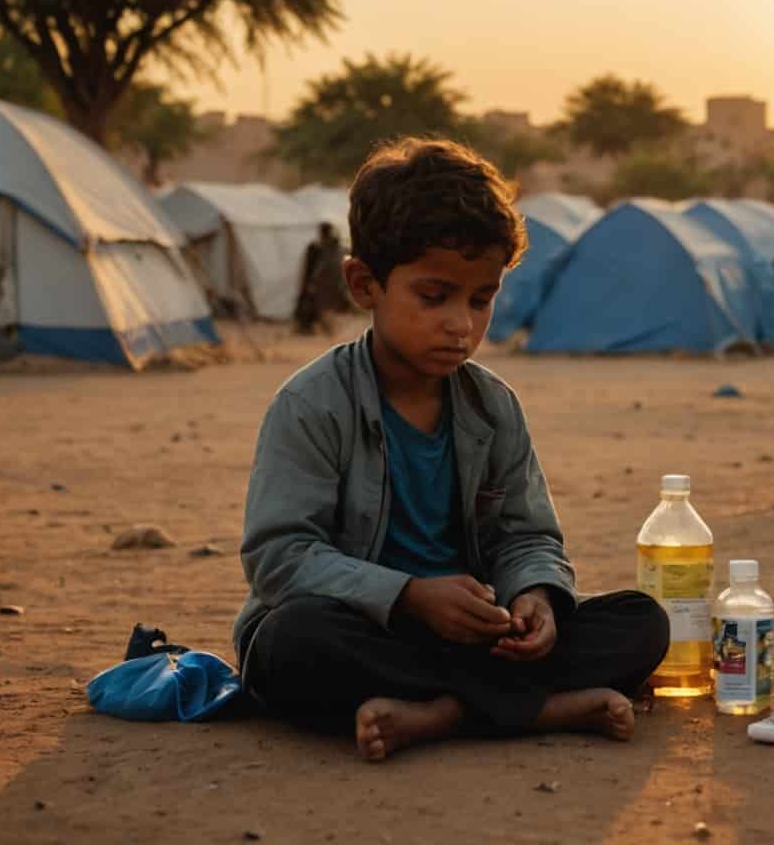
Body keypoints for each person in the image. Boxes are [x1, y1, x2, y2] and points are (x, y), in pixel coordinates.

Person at [235, 139, 669, 761]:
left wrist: (534, 598)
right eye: (433, 297)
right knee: (290, 643)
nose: (460, 323)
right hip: (366, 632)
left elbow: (528, 537)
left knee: (642, 621)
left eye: (480, 299)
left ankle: (439, 715)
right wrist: (409, 595)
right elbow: (279, 558)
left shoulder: (494, 408)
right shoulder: (311, 405)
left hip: (473, 642)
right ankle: (535, 707)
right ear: (365, 284)